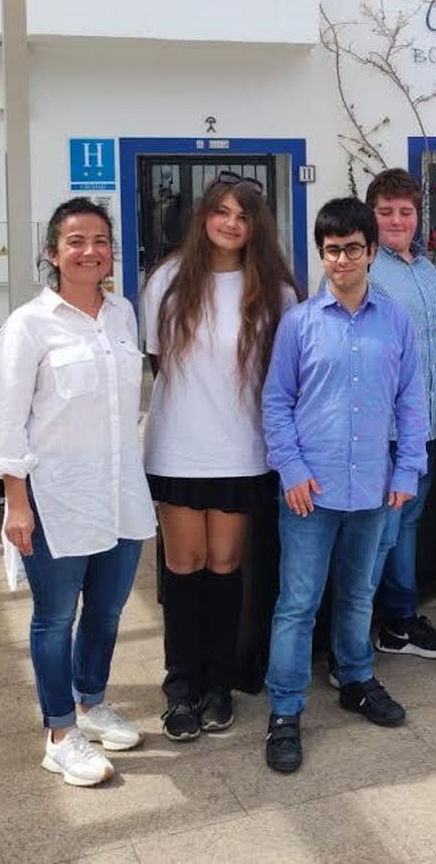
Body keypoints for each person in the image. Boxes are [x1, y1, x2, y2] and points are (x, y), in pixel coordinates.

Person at [0, 198, 156, 787]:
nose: (90, 251)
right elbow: (6, 423)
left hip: (118, 491)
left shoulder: (123, 314)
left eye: (101, 240)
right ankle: (59, 732)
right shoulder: (28, 326)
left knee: (107, 612)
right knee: (56, 618)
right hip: (56, 497)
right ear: (52, 252)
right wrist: (16, 502)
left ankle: (92, 702)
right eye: (76, 241)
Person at [261, 197, 428, 774]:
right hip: (311, 490)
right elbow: (277, 404)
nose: (341, 260)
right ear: (322, 254)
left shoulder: (396, 322)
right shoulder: (299, 324)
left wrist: (407, 470)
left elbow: (412, 403)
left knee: (359, 595)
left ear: (371, 252)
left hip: (374, 489)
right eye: (331, 250)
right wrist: (292, 470)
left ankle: (356, 679)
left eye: (353, 249)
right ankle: (284, 712)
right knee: (297, 605)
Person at [142, 173, 298, 742]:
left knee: (225, 569)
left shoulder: (278, 292)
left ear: (256, 226)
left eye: (243, 215)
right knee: (182, 569)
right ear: (204, 216)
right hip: (179, 449)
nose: (231, 223)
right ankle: (180, 687)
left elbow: (280, 380)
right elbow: (159, 364)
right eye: (221, 212)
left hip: (242, 450)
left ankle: (218, 686)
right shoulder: (165, 281)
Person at [364, 169, 436, 660]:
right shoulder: (363, 268)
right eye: (386, 212)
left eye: (405, 211)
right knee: (381, 531)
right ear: (370, 216)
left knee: (405, 526)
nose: (397, 220)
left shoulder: (425, 268)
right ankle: (380, 624)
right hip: (386, 431)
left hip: (425, 427)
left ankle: (396, 620)